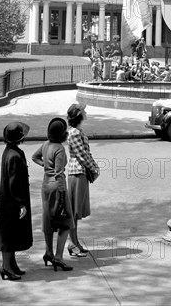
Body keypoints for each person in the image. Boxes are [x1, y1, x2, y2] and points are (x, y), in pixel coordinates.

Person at [32, 118, 74, 272]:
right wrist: (63, 196)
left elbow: (34, 157)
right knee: (66, 222)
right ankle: (58, 257)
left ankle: (48, 252)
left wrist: (45, 166)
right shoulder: (60, 149)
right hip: (57, 187)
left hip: (45, 186)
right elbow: (59, 174)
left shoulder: (45, 144)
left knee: (48, 220)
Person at [0, 121, 33, 281]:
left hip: (9, 201)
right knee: (9, 237)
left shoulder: (10, 152)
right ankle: (6, 267)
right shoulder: (15, 156)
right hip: (11, 202)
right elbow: (14, 183)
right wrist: (21, 204)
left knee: (12, 235)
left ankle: (12, 264)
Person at [66, 103, 100, 257]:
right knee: (74, 210)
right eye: (83, 111)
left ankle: (75, 241)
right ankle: (72, 243)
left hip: (80, 172)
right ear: (79, 115)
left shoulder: (77, 131)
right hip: (77, 172)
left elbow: (85, 153)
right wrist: (94, 168)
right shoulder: (74, 133)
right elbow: (82, 155)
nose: (86, 112)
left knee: (76, 211)